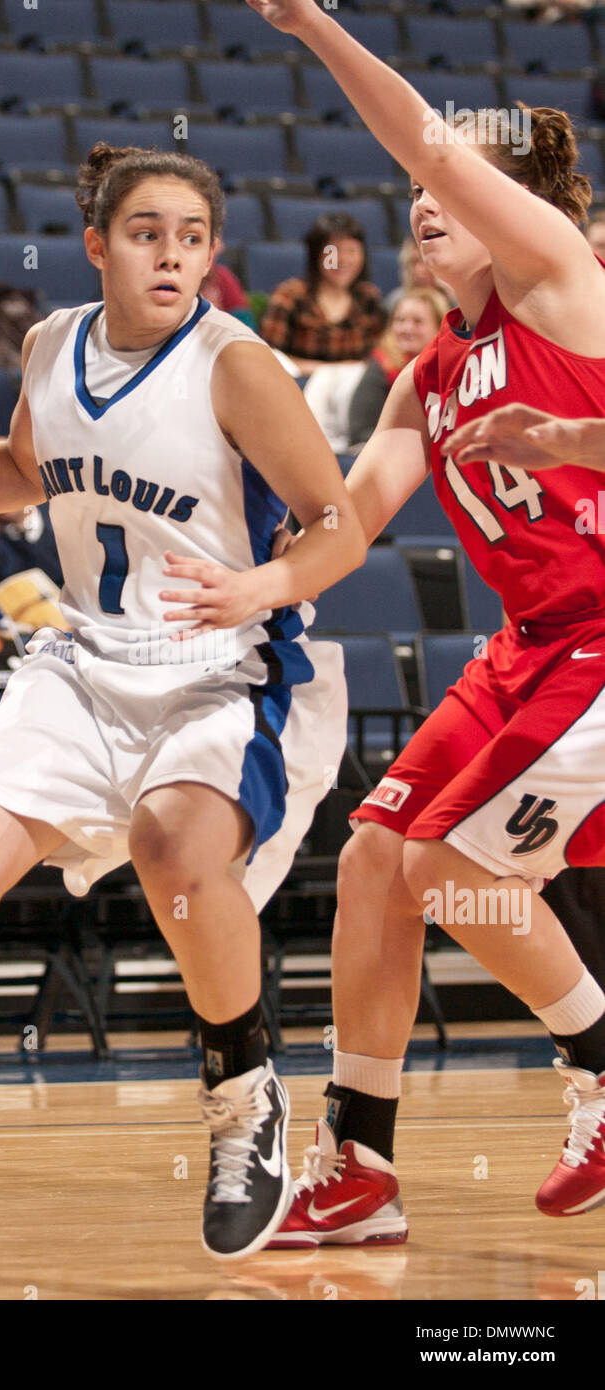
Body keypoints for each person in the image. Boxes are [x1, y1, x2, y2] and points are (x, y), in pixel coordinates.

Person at [0, 141, 367, 1260]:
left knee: (174, 853)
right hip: (86, 657)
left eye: (193, 238)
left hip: (228, 659)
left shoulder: (236, 363)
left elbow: (339, 526)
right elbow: (23, 469)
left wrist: (260, 581)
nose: (173, 256)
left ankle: (245, 1102)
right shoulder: (48, 343)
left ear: (213, 255)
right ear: (96, 245)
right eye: (149, 233)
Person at [247, 0, 605, 1246]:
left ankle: (602, 1062)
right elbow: (343, 528)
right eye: (415, 200)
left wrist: (311, 26)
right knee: (371, 862)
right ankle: (363, 1164)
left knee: (449, 867)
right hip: (527, 651)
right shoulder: (429, 375)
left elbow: (429, 144)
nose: (422, 204)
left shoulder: (558, 280)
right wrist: (250, 586)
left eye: (449, 191)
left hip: (604, 639)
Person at [259, 211, 386, 375]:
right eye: (333, 251)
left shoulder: (368, 297)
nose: (343, 259)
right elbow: (268, 356)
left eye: (352, 251)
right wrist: (330, 371)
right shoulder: (289, 296)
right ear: (316, 254)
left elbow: (380, 356)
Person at [347, 288, 448, 449]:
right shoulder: (380, 365)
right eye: (400, 320)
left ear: (439, 327)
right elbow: (361, 431)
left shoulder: (453, 367)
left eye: (417, 321)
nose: (407, 328)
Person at [383, 234, 455, 314]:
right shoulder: (394, 303)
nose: (420, 270)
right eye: (414, 262)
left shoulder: (453, 301)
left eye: (425, 261)